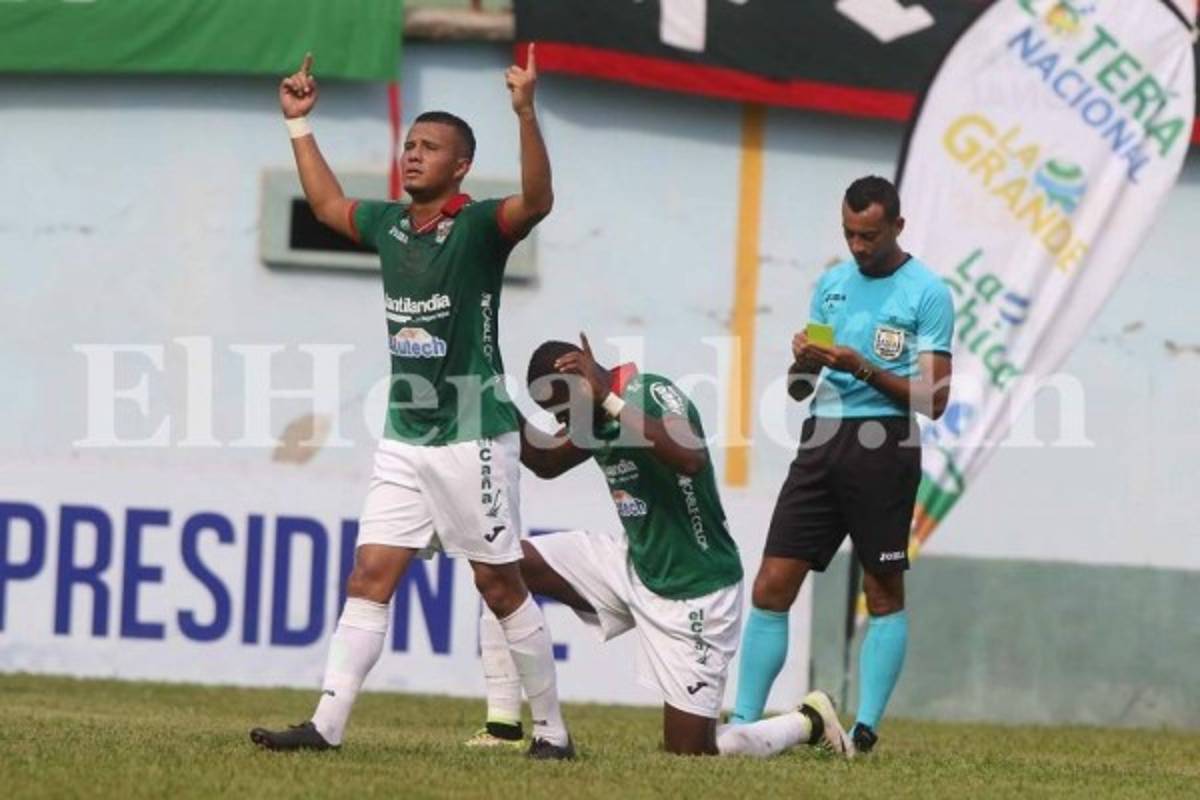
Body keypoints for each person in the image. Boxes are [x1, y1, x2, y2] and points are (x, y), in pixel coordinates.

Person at [250, 47, 576, 760]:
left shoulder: (481, 228)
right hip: (405, 435)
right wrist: (298, 126)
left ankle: (552, 732)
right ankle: (325, 726)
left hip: (476, 435)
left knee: (497, 582)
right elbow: (331, 206)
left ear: (460, 166)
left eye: (429, 148)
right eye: (408, 145)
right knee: (369, 574)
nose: (412, 156)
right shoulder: (392, 227)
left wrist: (524, 112)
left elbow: (540, 201)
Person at [467, 334, 853, 757]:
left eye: (561, 407)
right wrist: (490, 391)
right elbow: (545, 461)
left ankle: (808, 721)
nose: (562, 420)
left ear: (580, 380)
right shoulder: (590, 417)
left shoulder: (647, 390)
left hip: (698, 592)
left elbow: (689, 457)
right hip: (633, 566)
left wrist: (609, 401)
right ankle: (518, 725)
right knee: (505, 561)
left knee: (691, 753)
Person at [730, 176, 954, 754]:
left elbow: (935, 398)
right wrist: (803, 361)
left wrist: (862, 369)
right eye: (850, 234)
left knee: (882, 590)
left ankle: (864, 731)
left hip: (884, 446)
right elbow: (803, 388)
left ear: (897, 228)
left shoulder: (927, 293)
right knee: (772, 583)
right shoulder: (830, 286)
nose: (858, 246)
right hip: (821, 441)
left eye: (870, 236)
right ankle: (744, 723)